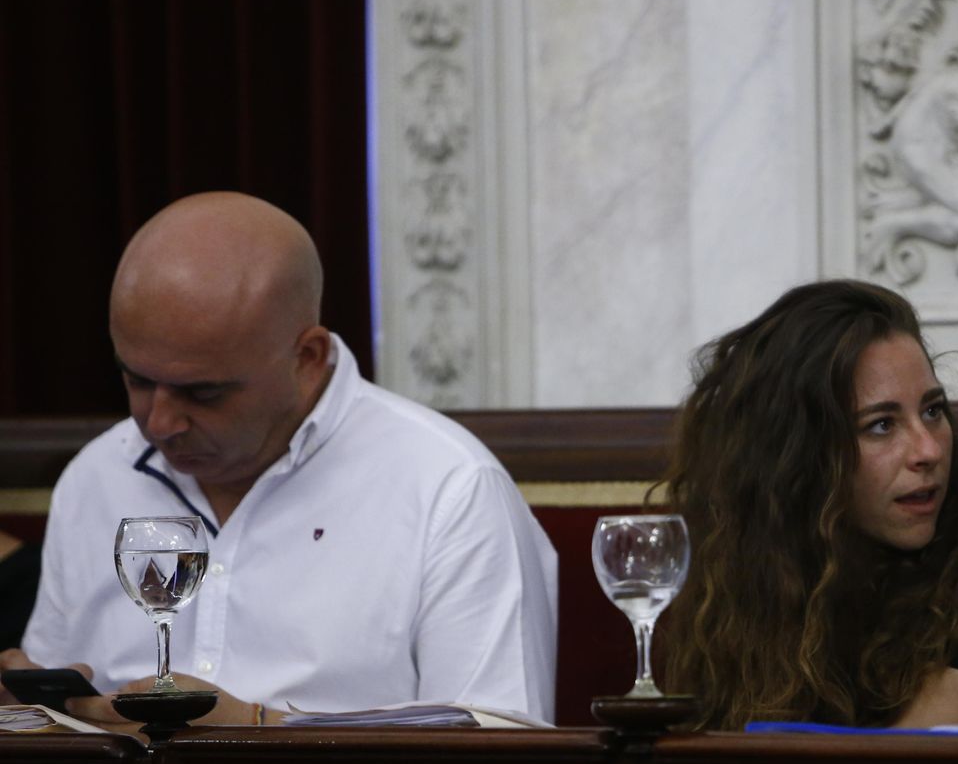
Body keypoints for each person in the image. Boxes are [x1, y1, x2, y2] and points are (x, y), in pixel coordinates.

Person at [0, 192, 558, 725]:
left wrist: (257, 728)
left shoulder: (449, 488)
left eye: (204, 393)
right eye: (137, 380)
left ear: (307, 358)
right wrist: (32, 713)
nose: (159, 423)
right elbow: (57, 742)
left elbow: (502, 756)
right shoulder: (96, 476)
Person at [661, 279, 958, 730]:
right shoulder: (736, 587)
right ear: (797, 457)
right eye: (881, 425)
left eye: (933, 411)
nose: (928, 451)